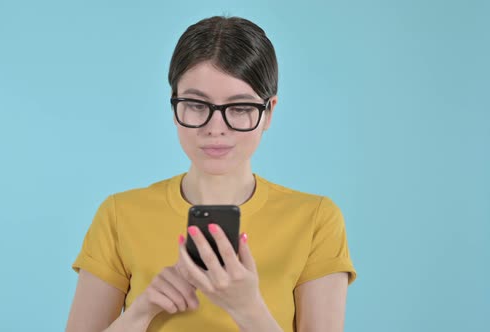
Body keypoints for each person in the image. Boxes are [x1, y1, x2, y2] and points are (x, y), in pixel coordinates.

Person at [65, 15, 357, 332]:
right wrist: (142, 311)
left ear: (269, 112)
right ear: (174, 105)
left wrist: (248, 309)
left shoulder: (316, 220)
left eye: (240, 108)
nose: (215, 129)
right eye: (196, 104)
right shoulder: (118, 214)